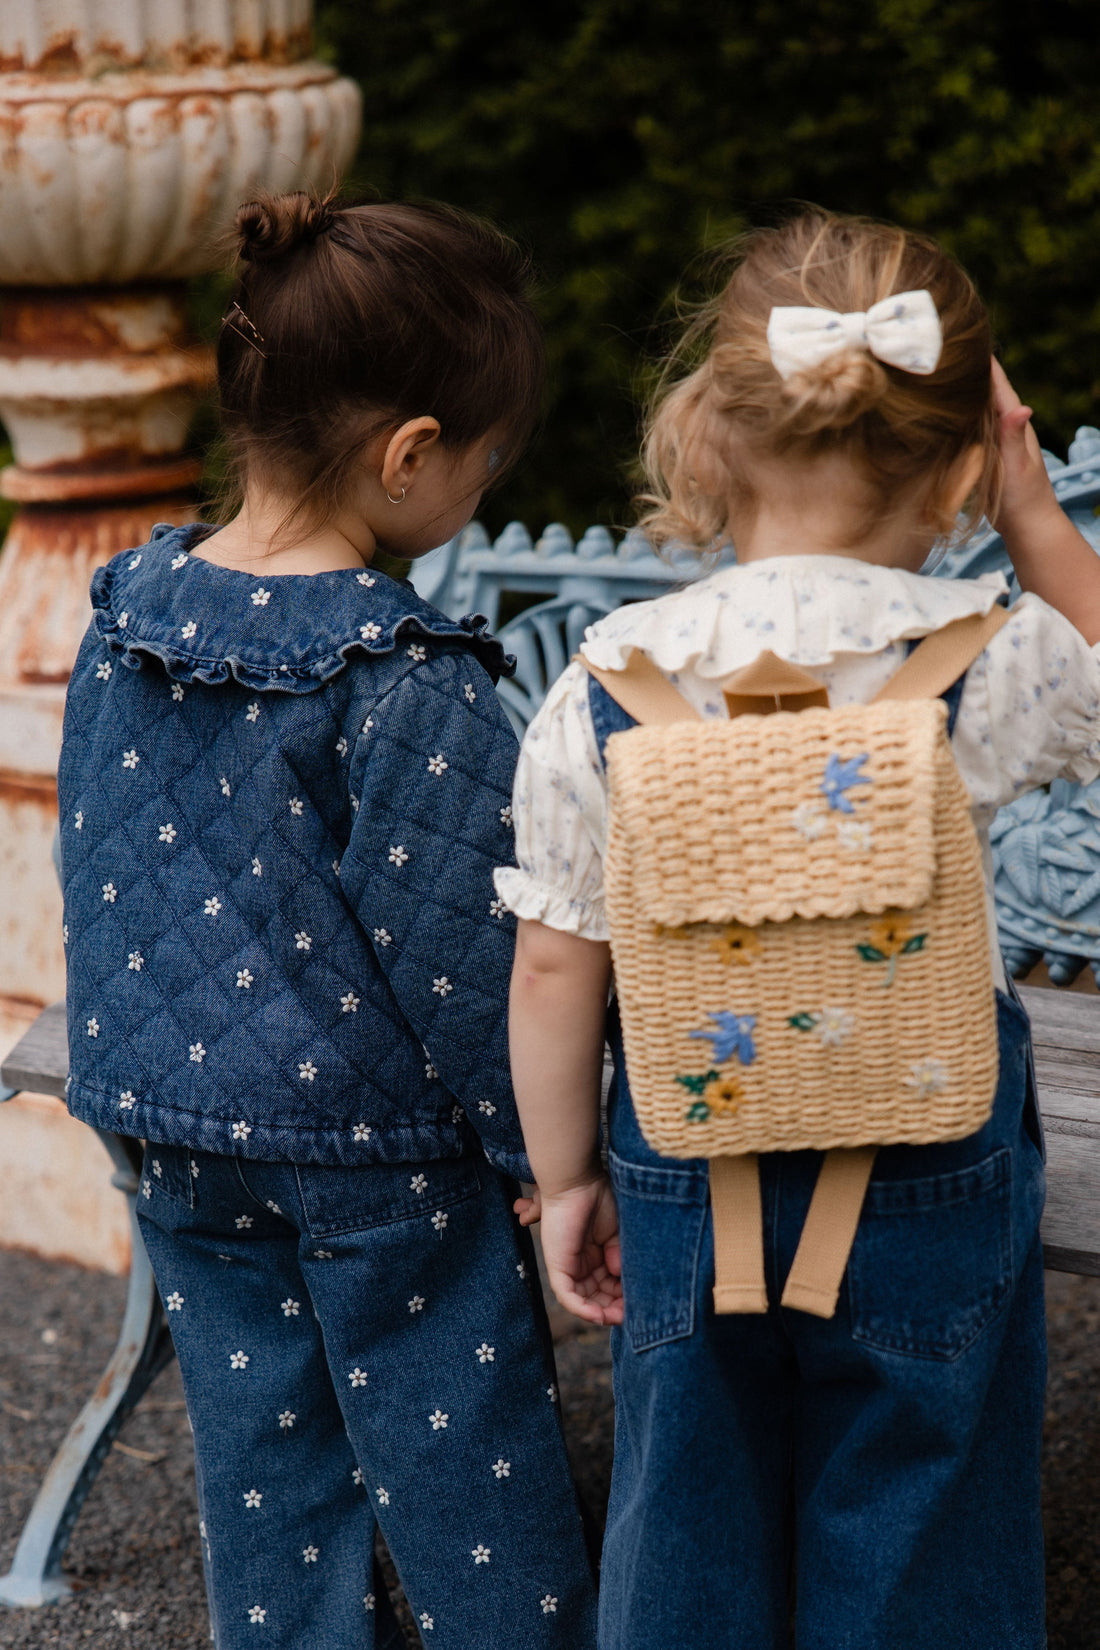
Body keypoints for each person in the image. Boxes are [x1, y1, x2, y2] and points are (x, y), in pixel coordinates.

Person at [497, 209, 1100, 1650]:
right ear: (970, 455)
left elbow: (554, 957)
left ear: (705, 439)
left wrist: (567, 1176)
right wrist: (1034, 521)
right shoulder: (989, 651)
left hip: (688, 1160)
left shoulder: (604, 685)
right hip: (928, 1150)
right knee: (922, 1509)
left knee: (687, 1506)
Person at [57, 191, 597, 1650]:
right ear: (410, 455)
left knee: (265, 1448)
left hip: (169, 1126)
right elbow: (471, 957)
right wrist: (545, 1158)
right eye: (483, 469)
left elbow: (102, 858)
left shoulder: (127, 614)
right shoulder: (401, 675)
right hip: (371, 1152)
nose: (475, 495)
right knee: (458, 1452)